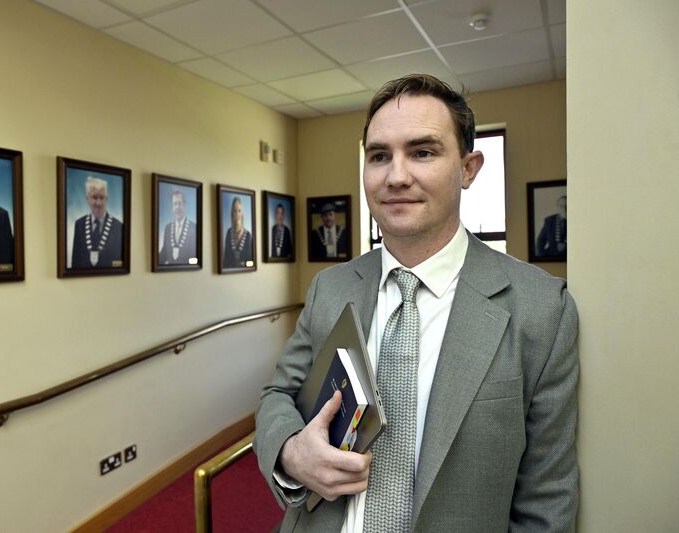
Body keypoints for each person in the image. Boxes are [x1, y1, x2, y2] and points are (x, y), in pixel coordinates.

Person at [254, 74, 578, 532]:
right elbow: (278, 397)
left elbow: (547, 499)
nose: (396, 176)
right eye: (379, 156)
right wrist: (291, 451)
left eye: (422, 152)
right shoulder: (331, 288)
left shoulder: (542, 309)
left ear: (468, 169)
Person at [71, 177, 123, 268]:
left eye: (102, 198)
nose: (98, 203)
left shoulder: (119, 227)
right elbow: (75, 262)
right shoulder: (79, 225)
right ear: (87, 199)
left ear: (106, 199)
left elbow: (119, 263)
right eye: (94, 197)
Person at [158, 188, 197, 265]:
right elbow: (164, 254)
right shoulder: (168, 228)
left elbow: (196, 259)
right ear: (172, 208)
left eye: (180, 203)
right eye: (175, 204)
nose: (177, 207)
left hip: (189, 274)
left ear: (185, 205)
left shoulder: (194, 228)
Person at [222, 196, 253, 268]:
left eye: (239, 211)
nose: (237, 214)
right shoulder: (229, 233)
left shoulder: (248, 235)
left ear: (242, 213)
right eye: (235, 211)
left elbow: (251, 262)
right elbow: (225, 260)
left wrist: (242, 264)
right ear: (232, 213)